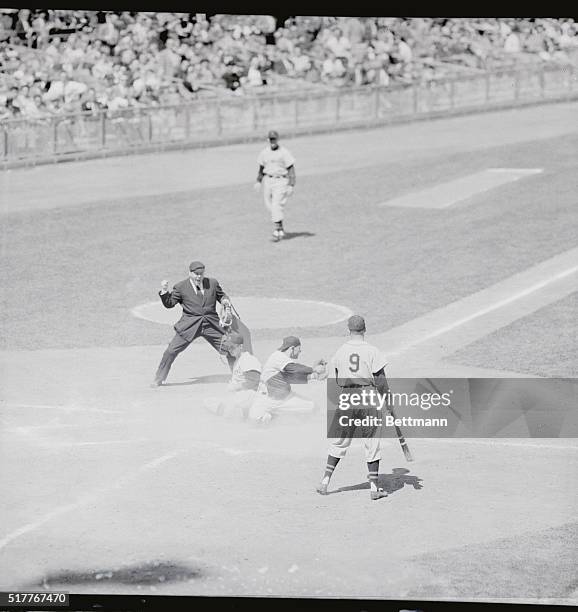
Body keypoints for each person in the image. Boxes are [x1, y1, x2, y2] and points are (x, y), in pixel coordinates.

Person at [316, 315, 390, 501]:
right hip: (367, 397)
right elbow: (380, 381)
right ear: (365, 329)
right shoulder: (372, 350)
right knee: (372, 441)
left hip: (346, 397)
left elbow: (337, 377)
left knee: (339, 441)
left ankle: (325, 482)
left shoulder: (340, 351)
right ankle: (374, 487)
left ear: (348, 330)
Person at [151, 261, 238, 387]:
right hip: (190, 326)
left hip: (211, 325)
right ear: (190, 273)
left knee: (231, 348)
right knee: (170, 351)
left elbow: (221, 295)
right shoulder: (181, 287)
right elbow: (169, 304)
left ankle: (237, 377)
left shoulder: (212, 283)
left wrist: (225, 300)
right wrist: (165, 291)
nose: (198, 276)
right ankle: (158, 378)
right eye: (196, 274)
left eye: (201, 274)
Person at [248, 336, 327, 423]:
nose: (300, 351)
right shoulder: (278, 356)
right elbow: (294, 369)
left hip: (285, 400)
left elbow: (291, 377)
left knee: (313, 407)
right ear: (292, 348)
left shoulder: (284, 361)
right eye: (299, 349)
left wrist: (314, 376)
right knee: (255, 421)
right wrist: (313, 369)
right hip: (266, 401)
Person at [204, 332, 262, 420]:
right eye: (228, 347)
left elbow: (254, 383)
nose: (230, 350)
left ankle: (252, 414)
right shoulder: (237, 360)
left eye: (232, 347)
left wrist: (237, 387)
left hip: (252, 394)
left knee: (230, 407)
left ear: (240, 347)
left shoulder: (248, 359)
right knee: (208, 401)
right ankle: (239, 413)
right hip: (241, 395)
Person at [253, 130, 296, 242]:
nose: (273, 141)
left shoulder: (284, 152)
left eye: (274, 139)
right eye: (271, 139)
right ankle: (280, 226)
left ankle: (277, 229)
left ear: (277, 139)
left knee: (276, 204)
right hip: (268, 180)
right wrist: (258, 181)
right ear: (268, 140)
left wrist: (291, 184)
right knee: (269, 205)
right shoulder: (264, 152)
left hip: (280, 180)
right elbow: (261, 168)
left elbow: (291, 169)